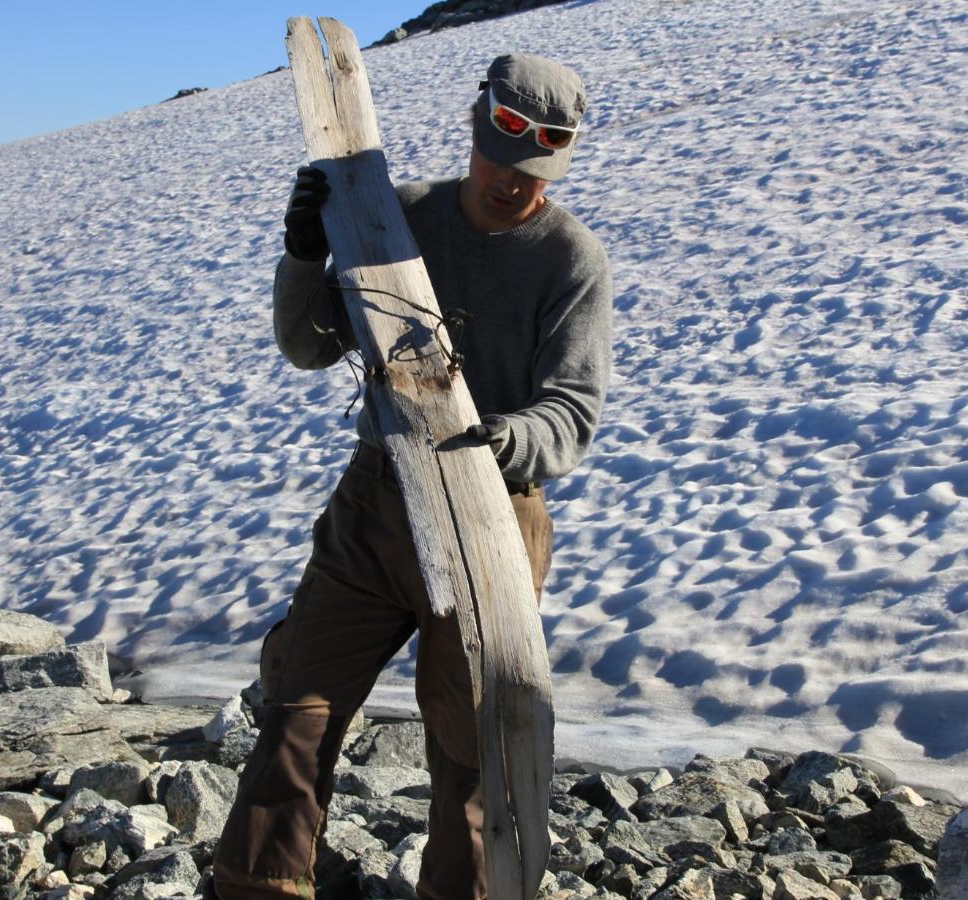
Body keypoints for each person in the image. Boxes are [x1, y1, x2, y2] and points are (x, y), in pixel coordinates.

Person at [212, 52, 613, 899]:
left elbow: (570, 416)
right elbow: (312, 345)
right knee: (297, 713)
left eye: (537, 169)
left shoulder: (570, 260)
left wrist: (496, 441)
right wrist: (303, 255)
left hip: (493, 520)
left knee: (472, 755)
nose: (514, 182)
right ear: (477, 131)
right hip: (377, 503)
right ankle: (257, 887)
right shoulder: (400, 217)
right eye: (502, 158)